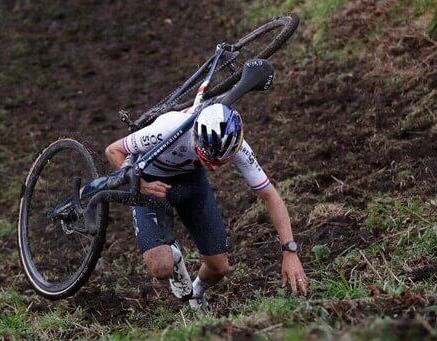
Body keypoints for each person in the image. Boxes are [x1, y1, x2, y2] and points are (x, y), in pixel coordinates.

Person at [105, 103, 307, 310]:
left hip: (191, 183)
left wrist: (290, 252)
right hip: (150, 181)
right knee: (161, 267)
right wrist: (141, 185)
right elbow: (113, 150)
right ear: (196, 138)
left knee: (219, 268)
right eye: (208, 158)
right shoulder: (167, 129)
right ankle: (172, 255)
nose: (214, 167)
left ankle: (196, 294)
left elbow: (270, 196)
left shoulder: (237, 146)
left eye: (221, 162)